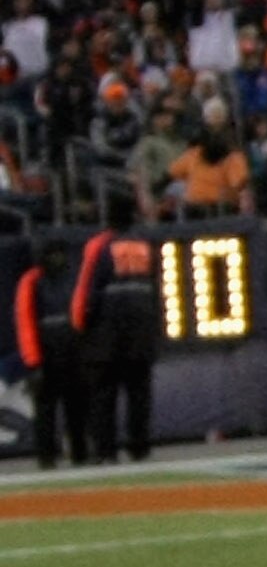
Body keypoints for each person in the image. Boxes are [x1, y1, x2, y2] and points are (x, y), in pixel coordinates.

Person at [72, 184, 162, 462]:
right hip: (141, 333)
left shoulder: (99, 246)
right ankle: (140, 448)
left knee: (103, 395)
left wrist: (79, 325)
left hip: (107, 336)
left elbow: (85, 290)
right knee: (139, 394)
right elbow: (156, 290)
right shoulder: (144, 246)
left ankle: (106, 451)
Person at [13, 233, 88, 469]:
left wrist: (84, 349)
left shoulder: (74, 278)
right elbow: (25, 322)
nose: (56, 259)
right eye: (51, 254)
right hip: (45, 356)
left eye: (59, 254)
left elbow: (82, 315)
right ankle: (47, 457)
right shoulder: (31, 281)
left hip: (72, 352)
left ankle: (80, 453)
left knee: (76, 407)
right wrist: (33, 361)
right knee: (46, 411)